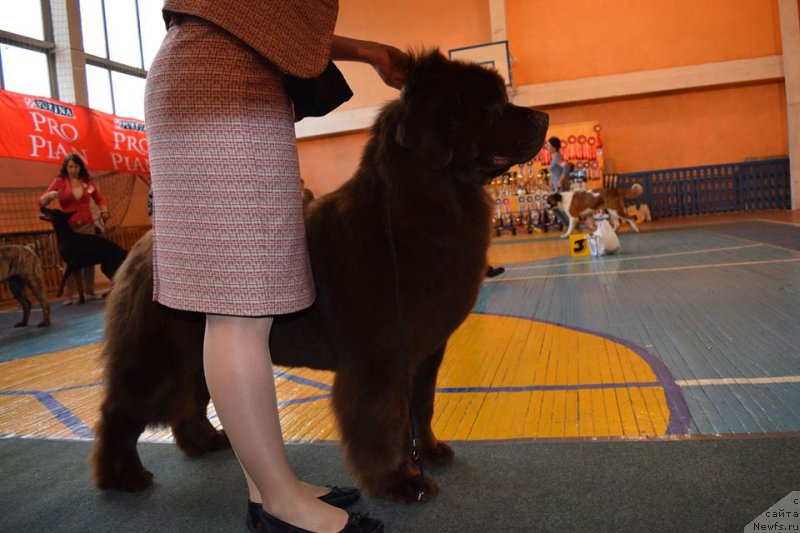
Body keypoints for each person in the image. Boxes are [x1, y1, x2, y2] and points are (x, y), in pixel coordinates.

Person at [144, 3, 408, 532]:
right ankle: (280, 505)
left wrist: (364, 51)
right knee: (240, 313)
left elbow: (266, 18)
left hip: (217, 77)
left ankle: (267, 486)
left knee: (239, 311)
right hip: (223, 84)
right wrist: (364, 50)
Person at [39, 154, 110, 304]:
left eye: (76, 167)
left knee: (89, 258)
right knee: (69, 261)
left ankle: (89, 291)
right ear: (66, 167)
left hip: (87, 224)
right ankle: (68, 295)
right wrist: (50, 196)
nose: (73, 170)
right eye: (70, 166)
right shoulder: (59, 182)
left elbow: (100, 199)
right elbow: (41, 201)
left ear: (80, 168)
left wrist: (104, 211)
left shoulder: (87, 182)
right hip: (68, 227)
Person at [545, 137, 571, 228]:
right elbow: (555, 173)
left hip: (561, 187)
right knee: (554, 207)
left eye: (548, 145)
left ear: (554, 147)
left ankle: (570, 226)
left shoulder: (558, 157)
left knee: (561, 207)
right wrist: (551, 185)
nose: (546, 147)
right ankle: (568, 225)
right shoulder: (554, 158)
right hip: (557, 187)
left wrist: (560, 181)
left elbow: (566, 167)